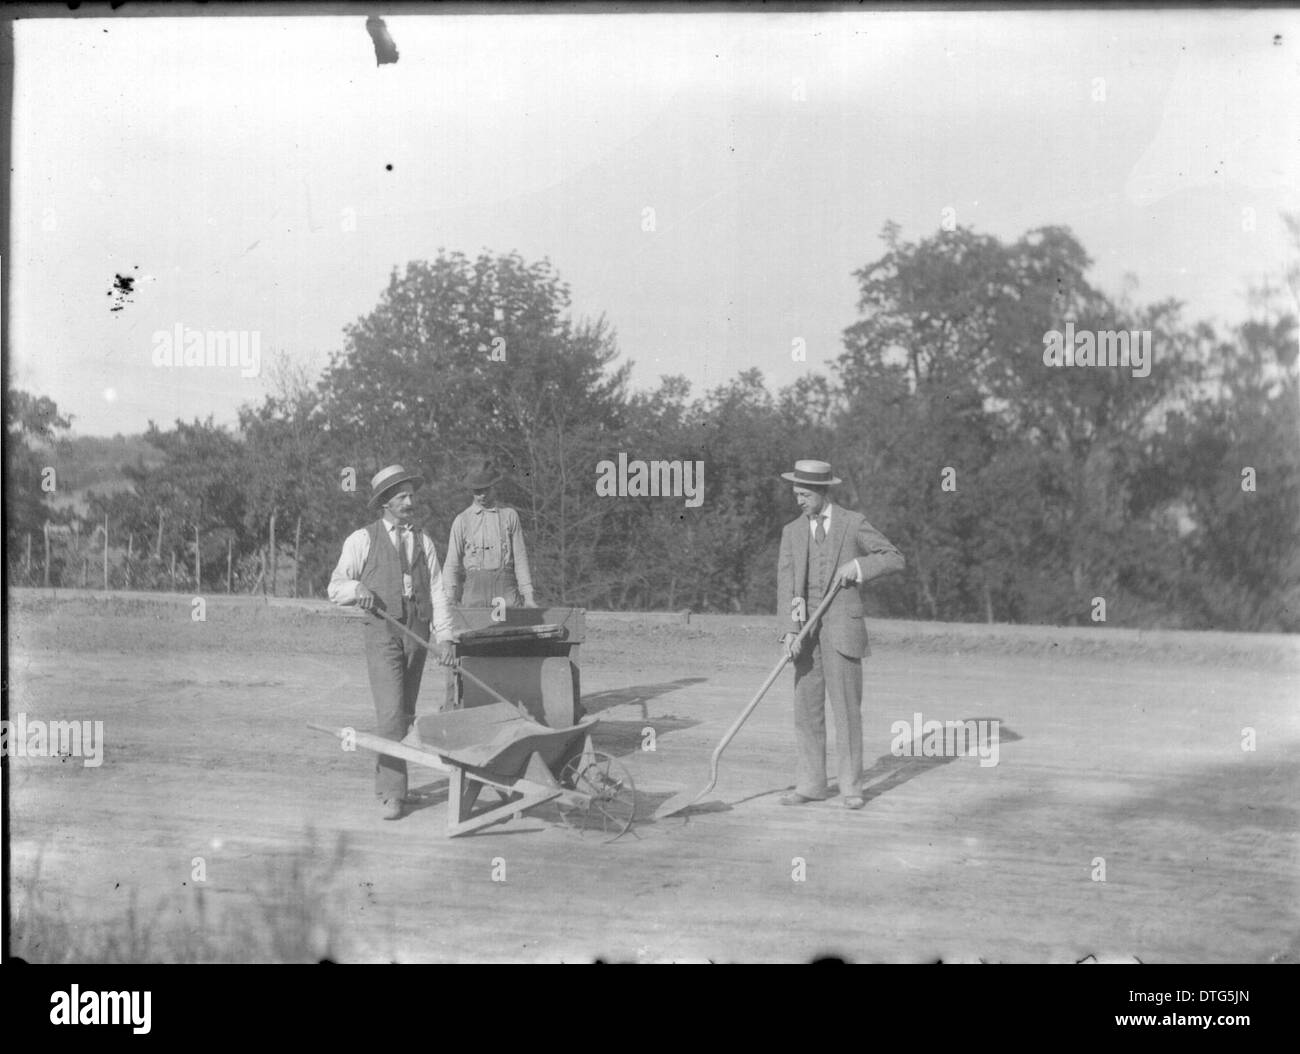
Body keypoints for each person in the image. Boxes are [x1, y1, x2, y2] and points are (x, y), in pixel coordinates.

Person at [328, 464, 456, 821]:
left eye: (411, 494)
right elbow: (335, 586)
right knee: (390, 716)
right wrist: (358, 590)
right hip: (383, 633)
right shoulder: (362, 540)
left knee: (406, 714)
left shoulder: (424, 541)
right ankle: (390, 793)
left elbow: (438, 592)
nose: (410, 501)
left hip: (418, 633)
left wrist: (444, 638)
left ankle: (399, 786)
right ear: (385, 502)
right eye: (402, 495)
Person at [776, 459, 904, 810]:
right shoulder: (792, 531)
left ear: (820, 491)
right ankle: (811, 784)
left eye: (804, 494)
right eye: (795, 494)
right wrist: (788, 631)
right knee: (806, 712)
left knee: (847, 712)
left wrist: (860, 566)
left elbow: (893, 557)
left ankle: (851, 788)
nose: (798, 500)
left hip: (843, 632)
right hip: (806, 635)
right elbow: (786, 586)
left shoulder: (852, 523)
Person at [443, 460, 537, 609]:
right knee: (475, 629)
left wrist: (529, 597)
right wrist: (449, 596)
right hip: (475, 592)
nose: (482, 496)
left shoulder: (509, 516)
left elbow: (520, 558)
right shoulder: (462, 520)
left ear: (493, 487)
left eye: (486, 489)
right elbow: (451, 563)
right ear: (471, 491)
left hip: (506, 591)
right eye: (477, 491)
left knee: (512, 629)